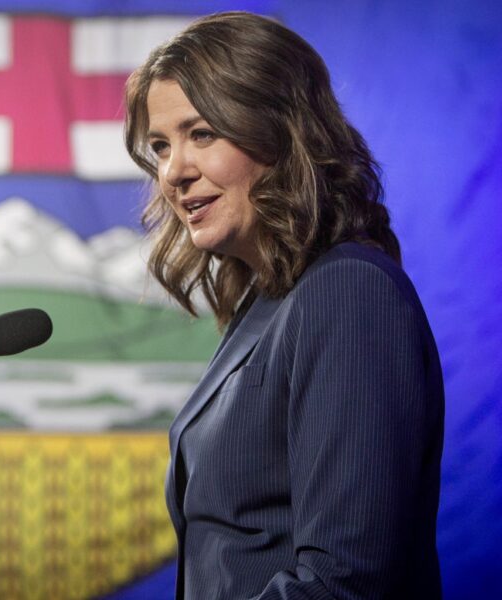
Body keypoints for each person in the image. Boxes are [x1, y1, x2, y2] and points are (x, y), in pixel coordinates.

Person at [124, 12, 444, 600]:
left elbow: (344, 583)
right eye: (161, 147)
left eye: (202, 134)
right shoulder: (273, 297)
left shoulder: (348, 293)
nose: (174, 173)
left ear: (281, 132)